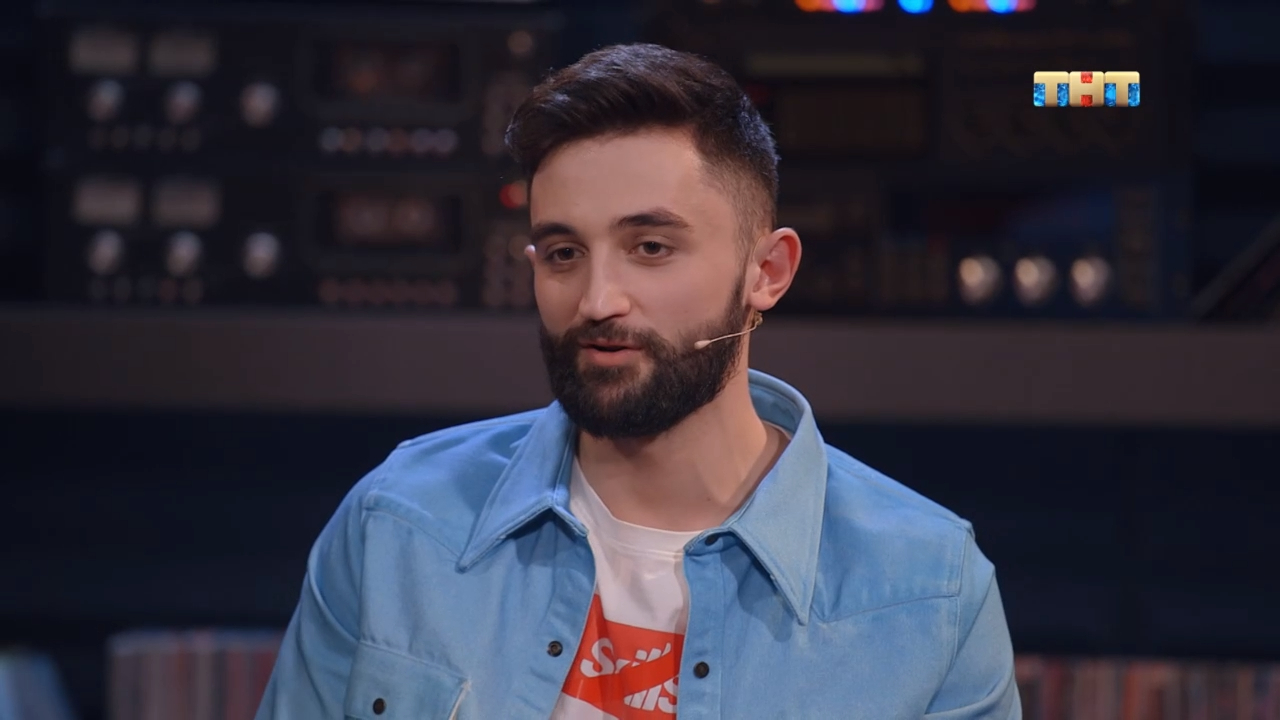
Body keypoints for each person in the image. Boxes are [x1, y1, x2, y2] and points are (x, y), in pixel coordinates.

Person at [255, 43, 1020, 719]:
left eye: (650, 247)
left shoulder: (929, 593)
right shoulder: (396, 527)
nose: (597, 301)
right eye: (564, 254)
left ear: (767, 272)